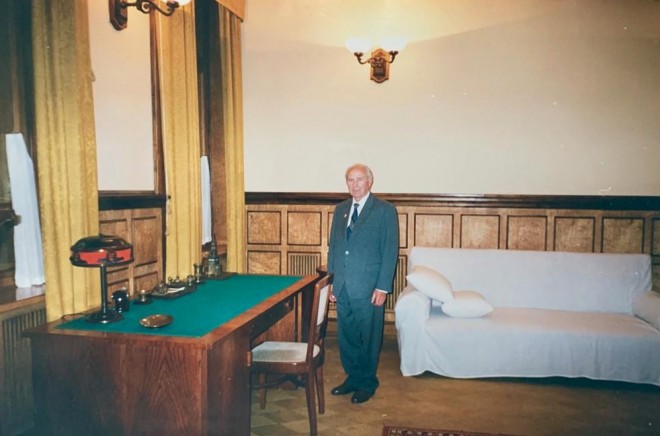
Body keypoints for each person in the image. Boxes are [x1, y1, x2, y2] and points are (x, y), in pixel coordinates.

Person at [327, 163, 399, 404]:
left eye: (359, 179)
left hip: (369, 288)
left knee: (369, 337)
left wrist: (383, 287)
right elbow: (334, 248)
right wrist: (332, 282)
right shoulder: (341, 210)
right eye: (350, 180)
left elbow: (389, 251)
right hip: (343, 286)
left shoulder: (385, 211)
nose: (355, 184)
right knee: (346, 336)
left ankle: (367, 383)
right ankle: (353, 378)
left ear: (369, 181)